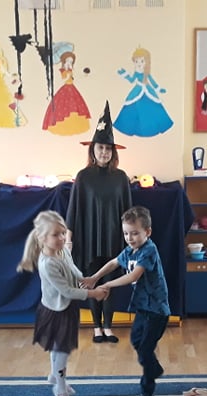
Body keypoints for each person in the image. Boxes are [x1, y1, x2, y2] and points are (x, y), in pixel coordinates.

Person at [17, 210, 109, 396]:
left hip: (66, 308)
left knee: (58, 347)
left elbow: (72, 267)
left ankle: (54, 375)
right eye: (55, 235)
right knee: (62, 350)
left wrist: (85, 279)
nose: (61, 238)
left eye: (62, 233)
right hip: (56, 311)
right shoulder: (47, 263)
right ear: (43, 238)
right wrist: (93, 293)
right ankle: (60, 389)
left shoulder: (62, 250)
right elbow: (66, 291)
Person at [85, 206, 170, 396]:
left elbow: (133, 276)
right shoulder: (131, 250)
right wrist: (95, 277)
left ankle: (147, 392)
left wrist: (107, 285)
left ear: (147, 232)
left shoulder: (149, 250)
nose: (129, 238)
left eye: (134, 233)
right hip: (143, 307)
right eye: (126, 234)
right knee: (136, 341)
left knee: (145, 351)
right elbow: (114, 263)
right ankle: (154, 368)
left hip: (157, 310)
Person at [67, 101, 132, 344]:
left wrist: (131, 242)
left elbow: (128, 211)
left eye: (108, 148)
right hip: (90, 239)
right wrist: (70, 241)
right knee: (92, 282)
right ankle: (96, 327)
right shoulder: (83, 177)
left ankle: (108, 327)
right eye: (100, 147)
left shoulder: (121, 178)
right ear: (93, 149)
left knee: (110, 283)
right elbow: (73, 210)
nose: (104, 152)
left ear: (113, 152)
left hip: (114, 239)